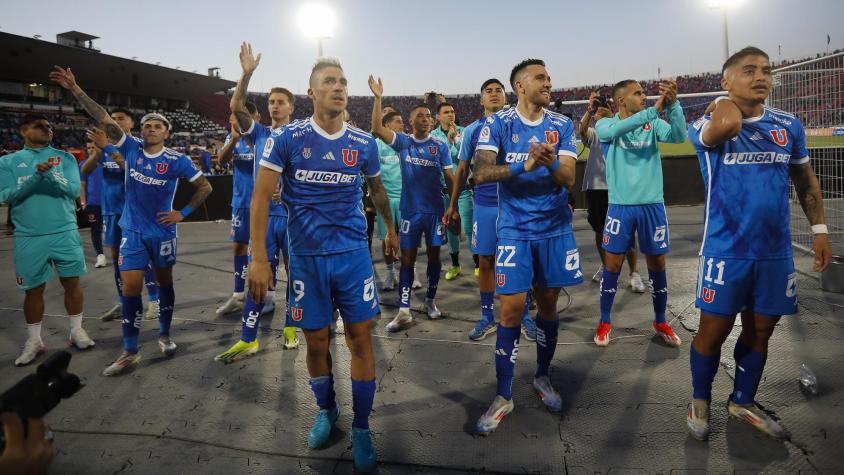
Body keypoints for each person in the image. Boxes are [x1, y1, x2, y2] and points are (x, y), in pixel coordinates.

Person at [248, 54, 399, 473]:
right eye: (330, 81)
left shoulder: (363, 144)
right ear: (311, 93)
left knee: (360, 340)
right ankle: (327, 409)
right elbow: (260, 197)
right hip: (307, 260)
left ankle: (363, 427)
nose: (339, 86)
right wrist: (259, 258)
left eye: (343, 82)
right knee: (315, 341)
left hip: (352, 258)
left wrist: (391, 230)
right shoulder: (288, 139)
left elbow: (378, 191)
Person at [686, 46, 831, 440]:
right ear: (726, 80)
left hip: (774, 253)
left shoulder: (789, 125)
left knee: (761, 330)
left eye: (766, 71)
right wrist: (723, 100)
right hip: (724, 250)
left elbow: (805, 181)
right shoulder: (705, 124)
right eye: (748, 70)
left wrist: (819, 231)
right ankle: (700, 398)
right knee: (713, 331)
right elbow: (728, 123)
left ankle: (742, 400)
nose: (761, 77)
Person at [51, 66, 212, 376]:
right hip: (133, 231)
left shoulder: (176, 160)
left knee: (164, 284)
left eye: (157, 126)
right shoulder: (130, 149)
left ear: (167, 133)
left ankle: (164, 334)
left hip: (163, 232)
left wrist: (183, 213)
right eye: (147, 125)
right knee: (130, 288)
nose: (150, 128)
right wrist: (75, 88)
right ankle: (130, 350)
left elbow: (205, 187)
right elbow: (104, 118)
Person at [472, 59, 582, 435]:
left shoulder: (562, 125)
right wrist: (525, 165)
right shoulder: (498, 123)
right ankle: (504, 395)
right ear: (520, 85)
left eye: (549, 77)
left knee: (549, 303)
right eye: (540, 78)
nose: (548, 82)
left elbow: (569, 179)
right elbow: (481, 173)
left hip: (554, 230)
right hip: (515, 230)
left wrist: (549, 163)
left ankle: (542, 376)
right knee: (511, 311)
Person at [214, 43, 300, 363]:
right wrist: (246, 74)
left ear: (291, 107)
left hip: (291, 218)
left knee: (295, 275)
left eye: (281, 102)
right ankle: (248, 338)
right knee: (257, 275)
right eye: (272, 102)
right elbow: (238, 106)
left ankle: (291, 328)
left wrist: (289, 192)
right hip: (262, 219)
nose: (275, 106)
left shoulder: (301, 136)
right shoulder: (259, 133)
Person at [593, 78, 687, 347]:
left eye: (645, 93)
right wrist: (654, 109)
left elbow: (679, 136)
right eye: (638, 93)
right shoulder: (606, 124)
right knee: (612, 265)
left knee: (657, 264)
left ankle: (660, 321)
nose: (644, 96)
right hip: (621, 206)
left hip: (652, 205)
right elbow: (613, 132)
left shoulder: (652, 122)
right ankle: (604, 321)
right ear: (621, 100)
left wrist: (674, 106)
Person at [444, 78, 537, 341]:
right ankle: (487, 316)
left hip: (516, 204)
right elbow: (462, 169)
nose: (494, 94)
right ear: (481, 99)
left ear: (506, 97)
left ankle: (525, 315)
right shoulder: (472, 130)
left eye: (499, 90)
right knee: (484, 260)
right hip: (484, 205)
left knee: (521, 260)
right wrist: (452, 205)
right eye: (489, 91)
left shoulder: (520, 124)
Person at [0, 114, 95, 366]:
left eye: (49, 126)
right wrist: (35, 178)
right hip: (29, 236)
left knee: (72, 284)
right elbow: (6, 196)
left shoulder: (65, 158)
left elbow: (74, 191)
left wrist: (50, 175)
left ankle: (76, 331)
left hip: (64, 231)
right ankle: (34, 340)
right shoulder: (8, 161)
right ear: (23, 131)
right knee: (32, 291)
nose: (47, 129)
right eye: (39, 126)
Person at [369, 76, 455, 331]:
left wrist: (452, 208)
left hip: (435, 212)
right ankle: (404, 309)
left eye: (429, 116)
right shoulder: (403, 142)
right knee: (406, 260)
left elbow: (450, 178)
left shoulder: (440, 147)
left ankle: (430, 300)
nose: (426, 119)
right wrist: (377, 98)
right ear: (410, 121)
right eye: (420, 116)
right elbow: (376, 128)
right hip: (409, 212)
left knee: (434, 259)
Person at [79, 108, 161, 323]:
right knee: (117, 258)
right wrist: (97, 153)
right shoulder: (102, 147)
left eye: (120, 119)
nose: (114, 122)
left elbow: (136, 174)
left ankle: (155, 300)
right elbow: (85, 172)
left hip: (136, 210)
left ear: (131, 124)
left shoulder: (139, 146)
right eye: (112, 119)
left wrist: (108, 147)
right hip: (111, 210)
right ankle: (124, 301)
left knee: (144, 255)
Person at [578, 91, 646, 292]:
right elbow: (582, 130)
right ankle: (608, 267)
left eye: (603, 107)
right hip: (597, 188)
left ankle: (634, 272)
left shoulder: (620, 128)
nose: (599, 110)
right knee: (600, 230)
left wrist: (609, 116)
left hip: (620, 187)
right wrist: (589, 112)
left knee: (627, 231)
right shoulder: (595, 132)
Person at [215, 102, 260, 321]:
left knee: (263, 250)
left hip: (264, 203)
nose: (233, 120)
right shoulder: (233, 138)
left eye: (238, 116)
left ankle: (264, 296)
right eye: (232, 116)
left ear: (254, 117)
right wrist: (233, 139)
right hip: (241, 202)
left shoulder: (264, 137)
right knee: (239, 247)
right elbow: (221, 162)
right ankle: (238, 295)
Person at [430, 102, 472, 280]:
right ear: (438, 117)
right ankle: (455, 265)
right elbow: (436, 158)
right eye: (446, 112)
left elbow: (464, 158)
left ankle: (478, 264)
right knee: (451, 230)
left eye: (453, 111)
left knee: (470, 228)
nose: (450, 114)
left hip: (463, 189)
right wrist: (448, 142)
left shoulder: (465, 132)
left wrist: (452, 142)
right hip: (444, 191)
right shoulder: (432, 136)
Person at [373, 110, 404, 291]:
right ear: (387, 126)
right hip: (386, 199)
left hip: (405, 197)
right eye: (398, 121)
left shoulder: (405, 143)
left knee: (407, 238)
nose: (402, 124)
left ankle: (411, 272)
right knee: (387, 240)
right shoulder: (376, 145)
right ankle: (390, 273)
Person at [79, 139, 106, 268]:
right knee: (95, 230)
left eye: (93, 147)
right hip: (93, 204)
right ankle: (100, 256)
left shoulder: (108, 163)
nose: (90, 150)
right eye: (88, 147)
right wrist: (84, 203)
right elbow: (82, 185)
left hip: (110, 203)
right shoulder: (83, 165)